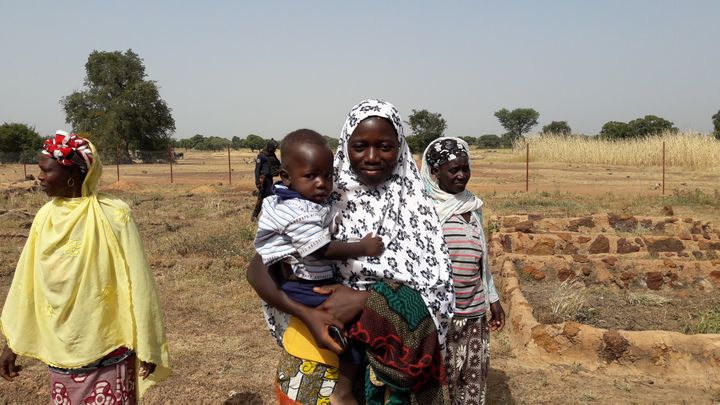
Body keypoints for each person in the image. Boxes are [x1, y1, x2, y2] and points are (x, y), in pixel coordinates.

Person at [247, 99, 455, 404]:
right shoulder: (323, 198)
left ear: (400, 147)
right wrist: (308, 313)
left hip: (395, 362)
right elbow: (257, 269)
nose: (371, 157)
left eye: (384, 146)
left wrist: (364, 301)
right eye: (360, 146)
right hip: (317, 347)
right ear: (346, 145)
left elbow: (440, 291)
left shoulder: (421, 208)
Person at [0, 131, 170, 404]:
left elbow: (138, 282)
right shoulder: (45, 217)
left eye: (46, 170)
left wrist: (147, 342)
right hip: (61, 349)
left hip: (110, 348)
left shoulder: (114, 214)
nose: (40, 177)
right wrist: (12, 343)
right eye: (39, 170)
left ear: (73, 175)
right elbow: (26, 281)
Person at [253, 128, 385, 403]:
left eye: (327, 175)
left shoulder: (311, 201)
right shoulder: (297, 208)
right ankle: (344, 389)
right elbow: (259, 269)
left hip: (313, 286)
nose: (322, 183)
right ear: (287, 178)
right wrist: (362, 248)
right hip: (303, 290)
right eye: (360, 146)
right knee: (346, 336)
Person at [420, 137, 505, 405]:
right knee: (440, 380)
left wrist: (493, 299)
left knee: (472, 380)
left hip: (475, 313)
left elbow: (483, 259)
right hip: (443, 315)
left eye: (465, 168)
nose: (461, 175)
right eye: (452, 169)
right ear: (435, 172)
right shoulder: (427, 210)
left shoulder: (473, 206)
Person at [252, 139, 281, 220]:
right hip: (263, 180)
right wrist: (257, 182)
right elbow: (257, 170)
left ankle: (270, 216)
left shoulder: (272, 155)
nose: (274, 150)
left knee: (271, 197)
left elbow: (278, 164)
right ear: (269, 147)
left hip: (269, 179)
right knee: (262, 198)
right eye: (273, 148)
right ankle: (254, 216)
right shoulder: (261, 156)